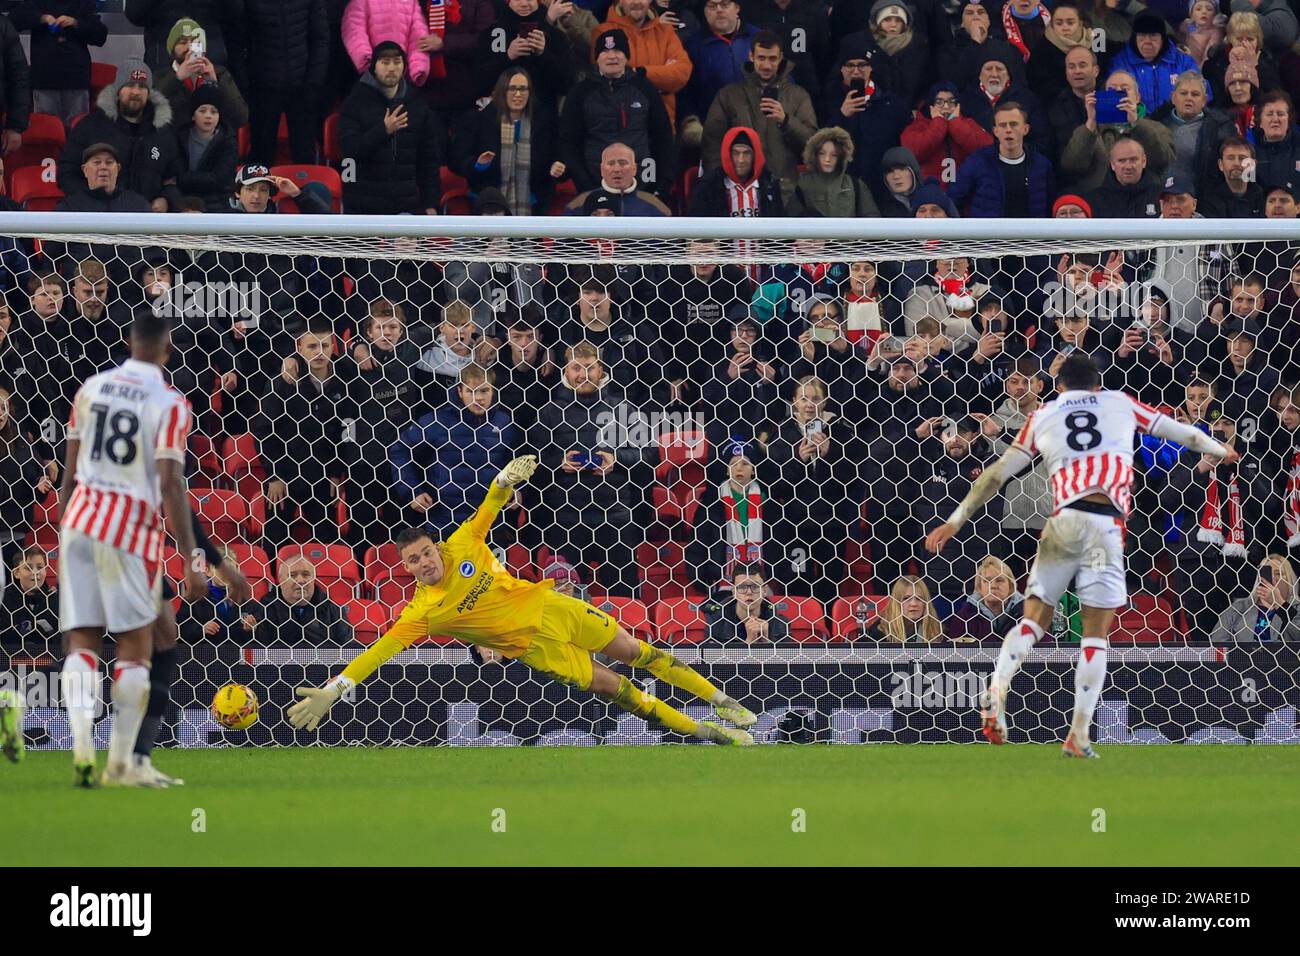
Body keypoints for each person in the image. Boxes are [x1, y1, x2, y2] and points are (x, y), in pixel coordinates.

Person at [287, 458, 759, 745]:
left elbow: (489, 506)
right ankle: (713, 736)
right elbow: (378, 651)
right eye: (413, 561)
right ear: (406, 568)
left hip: (556, 608)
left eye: (426, 552)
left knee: (641, 653)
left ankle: (724, 702)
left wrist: (504, 480)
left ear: (435, 547)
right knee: (619, 689)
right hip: (537, 648)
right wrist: (334, 689)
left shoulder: (462, 544)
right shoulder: (423, 611)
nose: (425, 562)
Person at [925, 353, 1235, 758]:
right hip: (1105, 528)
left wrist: (955, 519)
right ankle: (1079, 733)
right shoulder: (1120, 403)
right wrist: (1221, 449)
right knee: (1095, 635)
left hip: (1061, 523)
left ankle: (998, 686)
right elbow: (1186, 436)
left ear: (1058, 387)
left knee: (1034, 619)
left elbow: (995, 474)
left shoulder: (1044, 415)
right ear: (1098, 384)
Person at [55, 310, 206, 787]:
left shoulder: (91, 388)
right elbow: (169, 480)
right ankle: (120, 764)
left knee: (81, 638)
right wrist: (190, 557)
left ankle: (81, 746)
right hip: (129, 530)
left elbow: (70, 471)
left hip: (79, 521)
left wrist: (64, 520)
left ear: (128, 341)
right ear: (167, 350)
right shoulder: (169, 402)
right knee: (135, 646)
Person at [390, 364, 519, 534]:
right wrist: (412, 491)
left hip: (491, 525)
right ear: (459, 391)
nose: (478, 398)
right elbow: (399, 449)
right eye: (471, 392)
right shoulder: (437, 421)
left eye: (484, 391)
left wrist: (517, 490)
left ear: (493, 391)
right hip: (445, 523)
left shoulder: (505, 423)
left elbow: (518, 462)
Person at [699, 30, 817, 200]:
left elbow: (812, 144)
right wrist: (720, 186)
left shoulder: (798, 95)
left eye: (772, 59)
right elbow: (711, 144)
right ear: (751, 56)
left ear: (781, 57)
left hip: (785, 192)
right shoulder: (728, 95)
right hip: (739, 191)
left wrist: (786, 121)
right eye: (761, 58)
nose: (767, 65)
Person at [559, 28, 672, 197]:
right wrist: (585, 185)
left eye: (618, 50)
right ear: (596, 58)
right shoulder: (580, 93)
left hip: (642, 186)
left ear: (626, 56)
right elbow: (569, 142)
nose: (612, 56)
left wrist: (657, 185)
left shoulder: (644, 88)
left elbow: (662, 138)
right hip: (594, 187)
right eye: (605, 51)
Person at [57, 58, 180, 212]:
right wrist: (91, 201)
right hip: (98, 221)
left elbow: (174, 178)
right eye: (129, 85)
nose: (135, 92)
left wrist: (166, 199)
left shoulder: (163, 133)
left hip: (147, 223)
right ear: (117, 90)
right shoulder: (91, 126)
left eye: (142, 87)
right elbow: (67, 172)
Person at [337, 40, 443, 215]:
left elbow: (428, 160)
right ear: (374, 67)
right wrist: (383, 131)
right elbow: (349, 150)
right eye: (385, 62)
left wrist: (430, 202)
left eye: (397, 62)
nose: (392, 68)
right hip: (363, 206)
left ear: (405, 67)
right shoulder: (355, 102)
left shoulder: (417, 107)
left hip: (405, 206)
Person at [453, 65, 563, 216]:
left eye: (523, 89)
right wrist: (478, 165)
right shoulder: (479, 120)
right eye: (512, 89)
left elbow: (557, 158)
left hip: (535, 204)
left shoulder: (544, 122)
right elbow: (458, 161)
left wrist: (556, 167)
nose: (518, 94)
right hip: (488, 205)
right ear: (502, 91)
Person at [243, 0, 329, 165]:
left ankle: (306, 191)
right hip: (263, 88)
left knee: (304, 156)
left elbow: (321, 39)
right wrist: (247, 83)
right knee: (261, 156)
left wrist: (314, 82)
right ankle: (257, 191)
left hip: (303, 86)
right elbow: (239, 39)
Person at [591, 0, 692, 129]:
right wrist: (662, 79)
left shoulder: (665, 31)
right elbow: (609, 80)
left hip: (662, 127)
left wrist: (640, 72)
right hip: (620, 129)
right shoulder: (603, 32)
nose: (637, 2)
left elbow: (681, 74)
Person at [947, 102, 1054, 218]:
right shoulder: (977, 162)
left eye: (1013, 124)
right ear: (995, 131)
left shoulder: (1041, 165)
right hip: (988, 234)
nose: (1008, 130)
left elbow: (1050, 204)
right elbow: (953, 199)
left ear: (1025, 129)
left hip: (1031, 234)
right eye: (1003, 125)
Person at [10, 1, 106, 123]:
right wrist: (42, 18)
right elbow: (14, 19)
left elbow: (100, 35)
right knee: (47, 131)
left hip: (76, 79)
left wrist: (76, 23)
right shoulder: (36, 3)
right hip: (44, 79)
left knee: (77, 129)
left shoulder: (83, 3)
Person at [152, 16, 249, 131]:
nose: (189, 48)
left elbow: (241, 117)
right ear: (172, 49)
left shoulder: (220, 73)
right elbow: (149, 112)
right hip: (174, 143)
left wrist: (215, 82)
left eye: (194, 43)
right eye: (182, 42)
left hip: (213, 144)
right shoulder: (161, 75)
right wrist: (176, 78)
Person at [239, 555, 355, 646]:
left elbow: (348, 651)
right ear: (280, 580)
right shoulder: (264, 610)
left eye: (306, 574)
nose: (300, 581)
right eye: (292, 575)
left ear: (314, 578)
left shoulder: (332, 610)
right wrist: (249, 632)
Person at [1105, 11, 1202, 112]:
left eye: (1153, 36)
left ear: (1162, 38)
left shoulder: (1183, 62)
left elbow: (1202, 94)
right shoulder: (1120, 63)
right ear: (1135, 37)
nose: (1147, 41)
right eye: (1142, 35)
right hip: (1135, 123)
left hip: (1178, 122)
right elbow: (1113, 103)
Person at [690, 125, 784, 217]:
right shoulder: (708, 187)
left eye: (746, 153)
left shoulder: (769, 185)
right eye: (735, 153)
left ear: (755, 156)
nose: (741, 160)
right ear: (727, 154)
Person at [787, 125, 879, 217]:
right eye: (822, 153)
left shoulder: (855, 185)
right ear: (814, 155)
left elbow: (871, 219)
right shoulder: (804, 185)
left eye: (834, 155)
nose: (827, 159)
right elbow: (791, 223)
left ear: (841, 157)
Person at [174, 84, 239, 212]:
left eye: (214, 111)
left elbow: (219, 179)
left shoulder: (228, 141)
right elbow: (175, 171)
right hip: (183, 201)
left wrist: (184, 179)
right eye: (202, 111)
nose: (208, 116)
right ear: (193, 115)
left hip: (217, 202)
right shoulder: (179, 138)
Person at [1209, 554, 1300, 642]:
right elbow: (1218, 642)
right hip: (1244, 657)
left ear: (1289, 579)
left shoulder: (1297, 609)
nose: (1273, 578)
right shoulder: (1239, 608)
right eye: (1267, 573)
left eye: (1278, 573)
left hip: (1284, 657)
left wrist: (1279, 603)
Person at [564, 142, 672, 215]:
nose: (616, 169)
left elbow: (671, 246)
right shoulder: (578, 205)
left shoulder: (655, 206)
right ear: (602, 170)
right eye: (611, 163)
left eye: (623, 163)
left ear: (634, 169)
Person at [703, 562, 791, 645]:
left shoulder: (780, 624)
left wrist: (766, 644)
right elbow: (714, 660)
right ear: (734, 592)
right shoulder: (715, 623)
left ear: (764, 590)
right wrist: (748, 644)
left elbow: (790, 659)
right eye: (742, 586)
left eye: (755, 586)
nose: (749, 592)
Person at [945, 556, 1025, 643]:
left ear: (1011, 587)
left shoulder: (1028, 614)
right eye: (987, 581)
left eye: (999, 580)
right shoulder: (965, 616)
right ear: (979, 588)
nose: (993, 586)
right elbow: (952, 651)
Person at [859, 575, 943, 643]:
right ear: (896, 602)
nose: (913, 604)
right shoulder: (880, 632)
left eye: (919, 599)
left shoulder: (934, 630)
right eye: (906, 598)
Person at [1197, 136, 1265, 218]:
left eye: (1242, 158)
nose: (1236, 163)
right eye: (1230, 158)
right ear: (1220, 165)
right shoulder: (1208, 202)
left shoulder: (1264, 199)